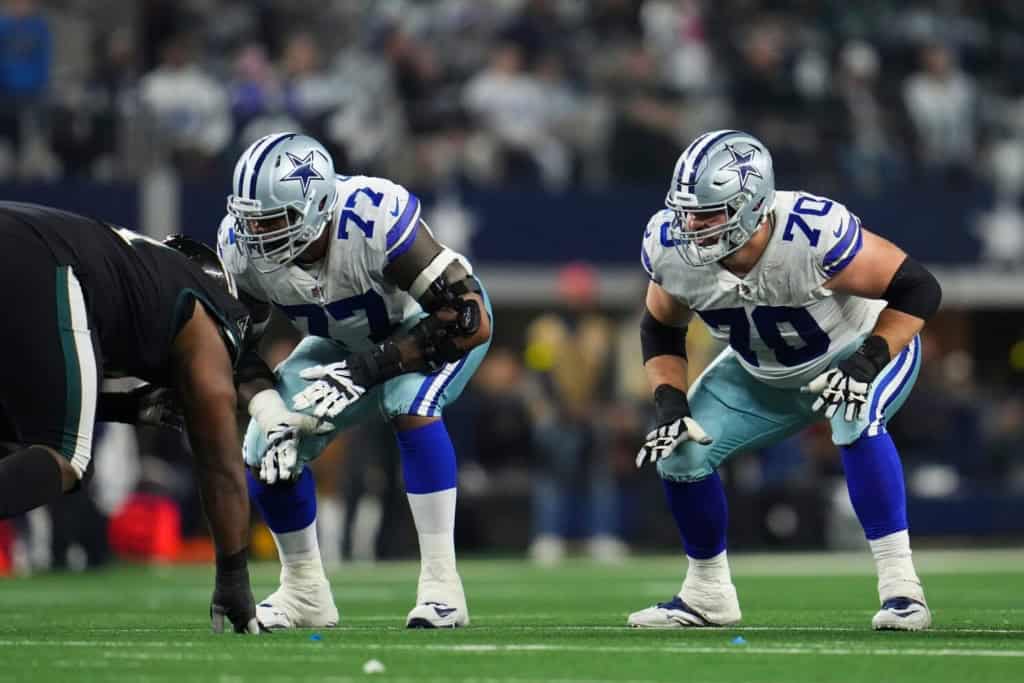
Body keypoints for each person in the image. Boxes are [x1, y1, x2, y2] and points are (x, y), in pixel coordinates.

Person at [629, 130, 942, 631]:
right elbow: (660, 326)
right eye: (686, 211)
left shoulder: (811, 233)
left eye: (708, 213)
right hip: (761, 372)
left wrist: (864, 365)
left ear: (752, 205)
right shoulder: (670, 246)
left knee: (854, 415)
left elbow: (918, 288)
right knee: (680, 452)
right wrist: (670, 405)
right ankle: (707, 594)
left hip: (853, 348)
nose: (691, 226)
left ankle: (902, 590)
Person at [0, 202, 320, 634]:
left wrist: (133, 407)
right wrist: (233, 576)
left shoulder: (138, 277)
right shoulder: (205, 310)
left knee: (6, 437)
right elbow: (219, 461)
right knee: (65, 456)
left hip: (22, 239)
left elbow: (54, 380)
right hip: (37, 261)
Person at [216, 132, 492, 629]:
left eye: (272, 221)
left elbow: (467, 318)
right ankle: (304, 592)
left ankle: (441, 586)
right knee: (264, 444)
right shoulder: (241, 248)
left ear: (317, 204)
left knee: (409, 402)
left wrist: (368, 370)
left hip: (423, 330)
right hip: (344, 344)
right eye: (249, 220)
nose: (257, 235)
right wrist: (270, 411)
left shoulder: (373, 214)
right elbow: (236, 354)